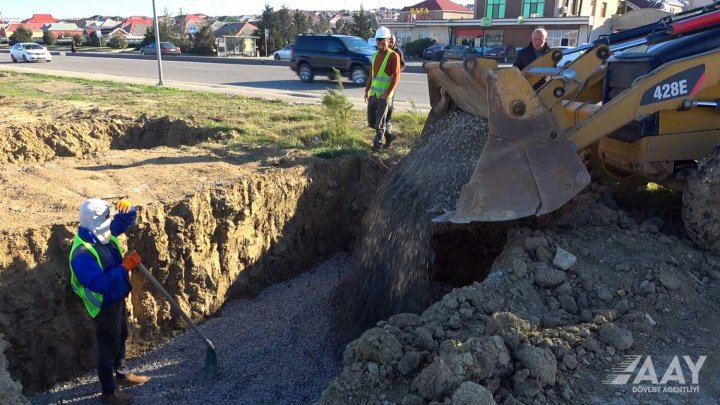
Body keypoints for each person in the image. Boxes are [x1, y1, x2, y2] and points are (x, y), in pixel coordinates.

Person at [69, 198, 150, 405]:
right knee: (108, 346)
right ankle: (108, 392)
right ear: (96, 222)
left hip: (116, 298)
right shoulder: (82, 253)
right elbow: (99, 284)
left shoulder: (101, 234)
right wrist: (124, 267)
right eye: (107, 219)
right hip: (103, 305)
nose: (110, 223)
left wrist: (128, 209)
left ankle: (122, 373)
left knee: (121, 335)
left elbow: (122, 223)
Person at [365, 26, 402, 151]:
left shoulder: (393, 56)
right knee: (371, 122)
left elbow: (396, 77)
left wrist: (388, 93)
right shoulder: (375, 55)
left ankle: (377, 146)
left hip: (385, 96)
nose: (380, 43)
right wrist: (367, 90)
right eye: (378, 40)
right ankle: (389, 136)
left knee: (380, 123)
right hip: (374, 93)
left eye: (382, 41)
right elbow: (371, 74)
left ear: (388, 40)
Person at [384, 35, 406, 143]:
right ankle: (386, 132)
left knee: (389, 108)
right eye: (390, 41)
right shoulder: (383, 51)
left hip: (391, 83)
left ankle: (388, 134)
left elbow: (402, 65)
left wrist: (395, 72)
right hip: (381, 84)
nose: (391, 43)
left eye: (393, 42)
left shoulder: (397, 51)